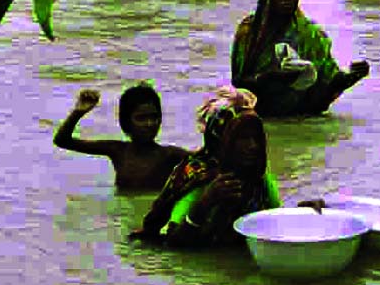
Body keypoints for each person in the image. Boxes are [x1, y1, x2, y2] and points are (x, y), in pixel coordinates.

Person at [128, 87, 283, 247]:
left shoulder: (260, 180)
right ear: (221, 139)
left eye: (256, 138)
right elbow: (173, 243)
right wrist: (206, 201)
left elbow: (277, 225)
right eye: (243, 138)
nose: (253, 146)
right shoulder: (198, 176)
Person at [231, 0, 370, 118]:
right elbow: (238, 81)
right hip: (260, 115)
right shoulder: (250, 31)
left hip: (300, 116)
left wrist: (351, 77)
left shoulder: (310, 33)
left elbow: (326, 85)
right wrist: (268, 79)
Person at [53, 85, 189, 190]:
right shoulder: (118, 150)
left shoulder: (170, 155)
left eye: (154, 117)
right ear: (126, 122)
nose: (149, 124)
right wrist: (78, 112)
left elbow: (201, 161)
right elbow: (62, 141)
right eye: (141, 118)